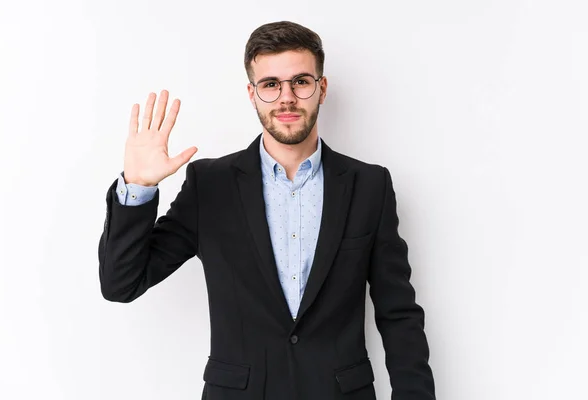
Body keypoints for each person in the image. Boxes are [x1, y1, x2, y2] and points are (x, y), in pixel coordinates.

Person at [98, 20, 436, 400]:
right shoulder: (210, 185)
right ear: (252, 93)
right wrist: (138, 186)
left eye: (301, 82)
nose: (286, 97)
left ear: (321, 89)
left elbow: (398, 313)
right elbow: (121, 284)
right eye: (271, 85)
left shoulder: (369, 185)